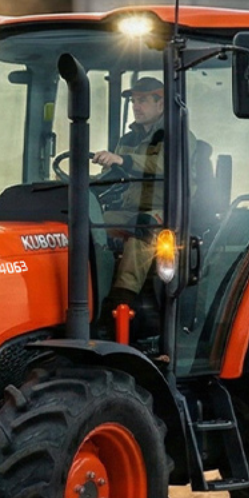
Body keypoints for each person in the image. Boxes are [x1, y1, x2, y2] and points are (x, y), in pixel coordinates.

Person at [93, 76, 168, 317]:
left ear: (161, 104)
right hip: (128, 210)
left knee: (142, 228)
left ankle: (120, 302)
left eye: (143, 101)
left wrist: (123, 160)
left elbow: (163, 166)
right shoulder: (127, 140)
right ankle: (91, 289)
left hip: (165, 210)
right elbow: (112, 173)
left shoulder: (176, 136)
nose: (136, 106)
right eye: (134, 101)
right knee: (87, 224)